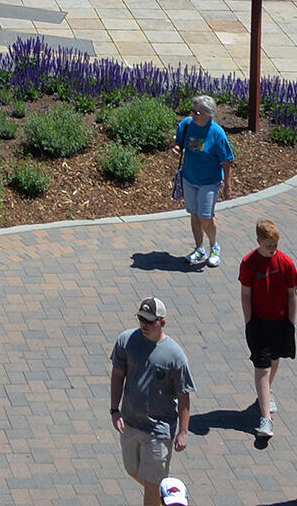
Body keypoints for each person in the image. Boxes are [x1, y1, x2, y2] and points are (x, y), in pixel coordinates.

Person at [108, 295, 193, 506]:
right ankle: (169, 492)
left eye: (149, 321)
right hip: (130, 423)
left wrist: (183, 432)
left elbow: (184, 396)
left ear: (162, 322)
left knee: (152, 484)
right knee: (133, 471)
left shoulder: (176, 356)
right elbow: (118, 375)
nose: (144, 325)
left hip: (159, 429)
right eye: (141, 320)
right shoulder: (126, 341)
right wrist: (114, 410)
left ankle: (162, 490)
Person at [238, 217, 297, 447]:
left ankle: (265, 393)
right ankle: (265, 419)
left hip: (280, 322)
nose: (273, 249)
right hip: (259, 323)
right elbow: (246, 294)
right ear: (258, 241)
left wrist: (291, 325)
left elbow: (292, 294)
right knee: (263, 367)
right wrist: (249, 323)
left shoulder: (285, 263)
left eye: (275, 245)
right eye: (268, 245)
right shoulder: (248, 263)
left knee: (275, 361)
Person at [176, 95, 236, 266]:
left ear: (208, 115)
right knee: (194, 214)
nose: (193, 115)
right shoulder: (187, 125)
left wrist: (227, 186)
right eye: (193, 111)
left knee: (206, 216)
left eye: (197, 112)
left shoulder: (217, 133)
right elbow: (180, 144)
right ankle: (199, 248)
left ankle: (214, 247)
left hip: (209, 182)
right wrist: (177, 149)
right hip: (189, 178)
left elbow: (226, 161)